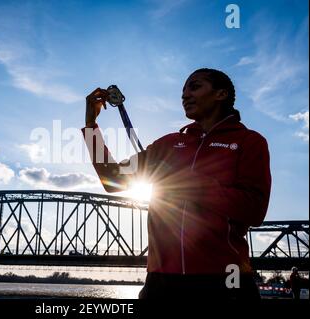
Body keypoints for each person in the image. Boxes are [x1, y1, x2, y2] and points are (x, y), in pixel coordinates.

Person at [82, 68, 271, 300]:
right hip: (161, 282)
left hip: (226, 281)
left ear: (221, 94)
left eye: (195, 86)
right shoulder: (169, 144)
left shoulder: (249, 142)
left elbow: (254, 210)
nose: (185, 95)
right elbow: (113, 179)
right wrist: (91, 124)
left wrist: (193, 184)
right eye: (183, 90)